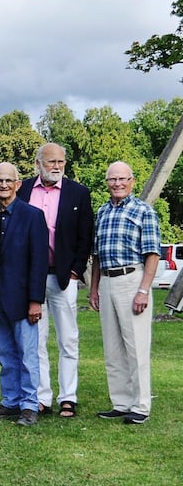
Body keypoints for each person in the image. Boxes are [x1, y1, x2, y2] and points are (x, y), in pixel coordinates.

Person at [17, 143, 93, 418]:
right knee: (35, 340)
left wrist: (75, 270)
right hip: (31, 279)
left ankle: (68, 397)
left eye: (61, 161)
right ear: (38, 163)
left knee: (68, 339)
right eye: (51, 161)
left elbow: (86, 236)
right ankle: (41, 397)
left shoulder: (78, 193)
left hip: (63, 277)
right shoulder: (22, 189)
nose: (57, 166)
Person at [89, 161, 160, 425]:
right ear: (107, 182)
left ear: (131, 181)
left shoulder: (143, 211)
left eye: (122, 179)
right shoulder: (103, 212)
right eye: (112, 179)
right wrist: (94, 288)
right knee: (113, 347)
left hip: (133, 279)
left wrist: (144, 290)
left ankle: (140, 406)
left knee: (136, 345)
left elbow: (152, 254)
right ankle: (120, 402)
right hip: (107, 280)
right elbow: (96, 255)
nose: (117, 184)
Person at [0, 162, 48, 427]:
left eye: (8, 181)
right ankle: (10, 401)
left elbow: (39, 261)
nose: (3, 185)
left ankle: (30, 405)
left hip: (23, 300)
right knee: (5, 354)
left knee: (28, 355)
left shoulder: (32, 216)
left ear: (18, 184)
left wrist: (35, 300)